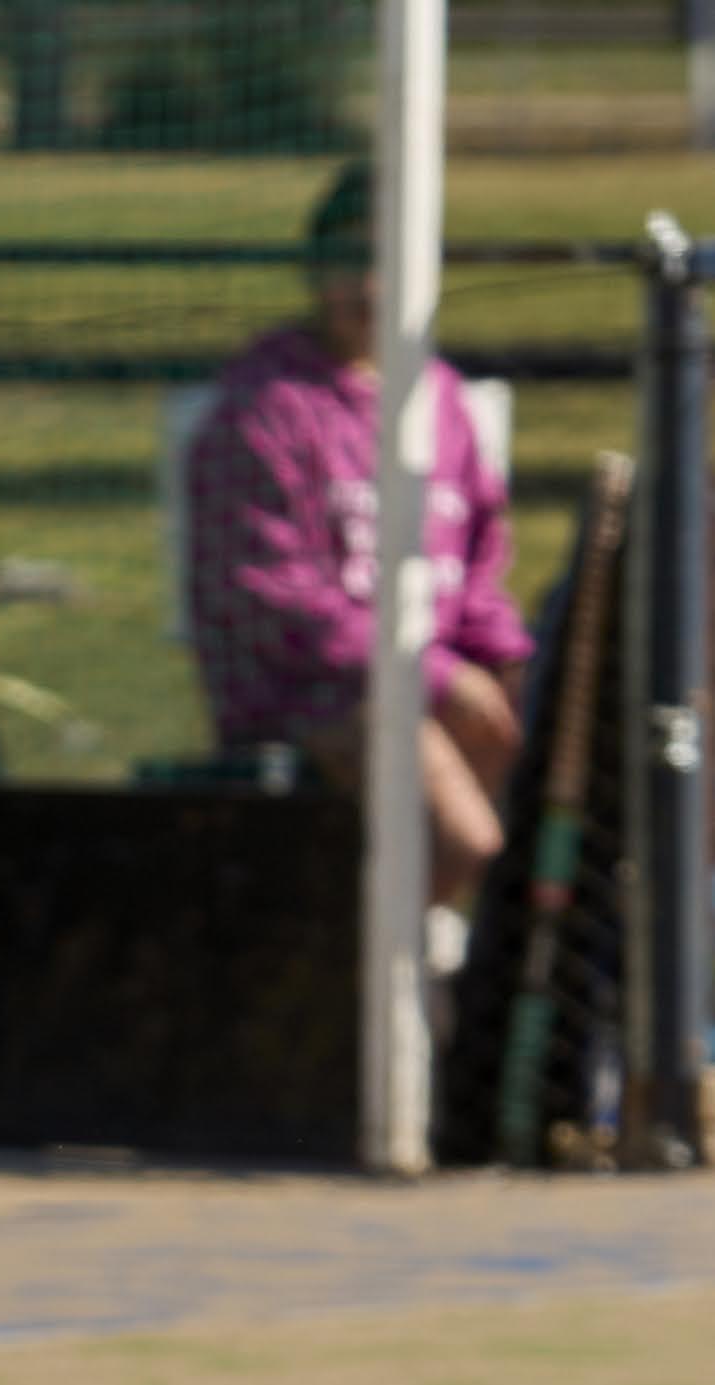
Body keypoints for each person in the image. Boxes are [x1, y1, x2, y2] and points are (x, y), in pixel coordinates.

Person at [184, 158, 533, 904]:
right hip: (309, 700)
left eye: (390, 260)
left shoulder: (438, 398)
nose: (370, 287)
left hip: (432, 685)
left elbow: (479, 563)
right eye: (349, 260)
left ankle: (442, 960)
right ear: (312, 269)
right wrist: (433, 675)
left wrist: (507, 663)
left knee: (568, 786)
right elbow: (269, 593)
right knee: (461, 838)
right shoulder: (264, 407)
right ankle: (355, 965)